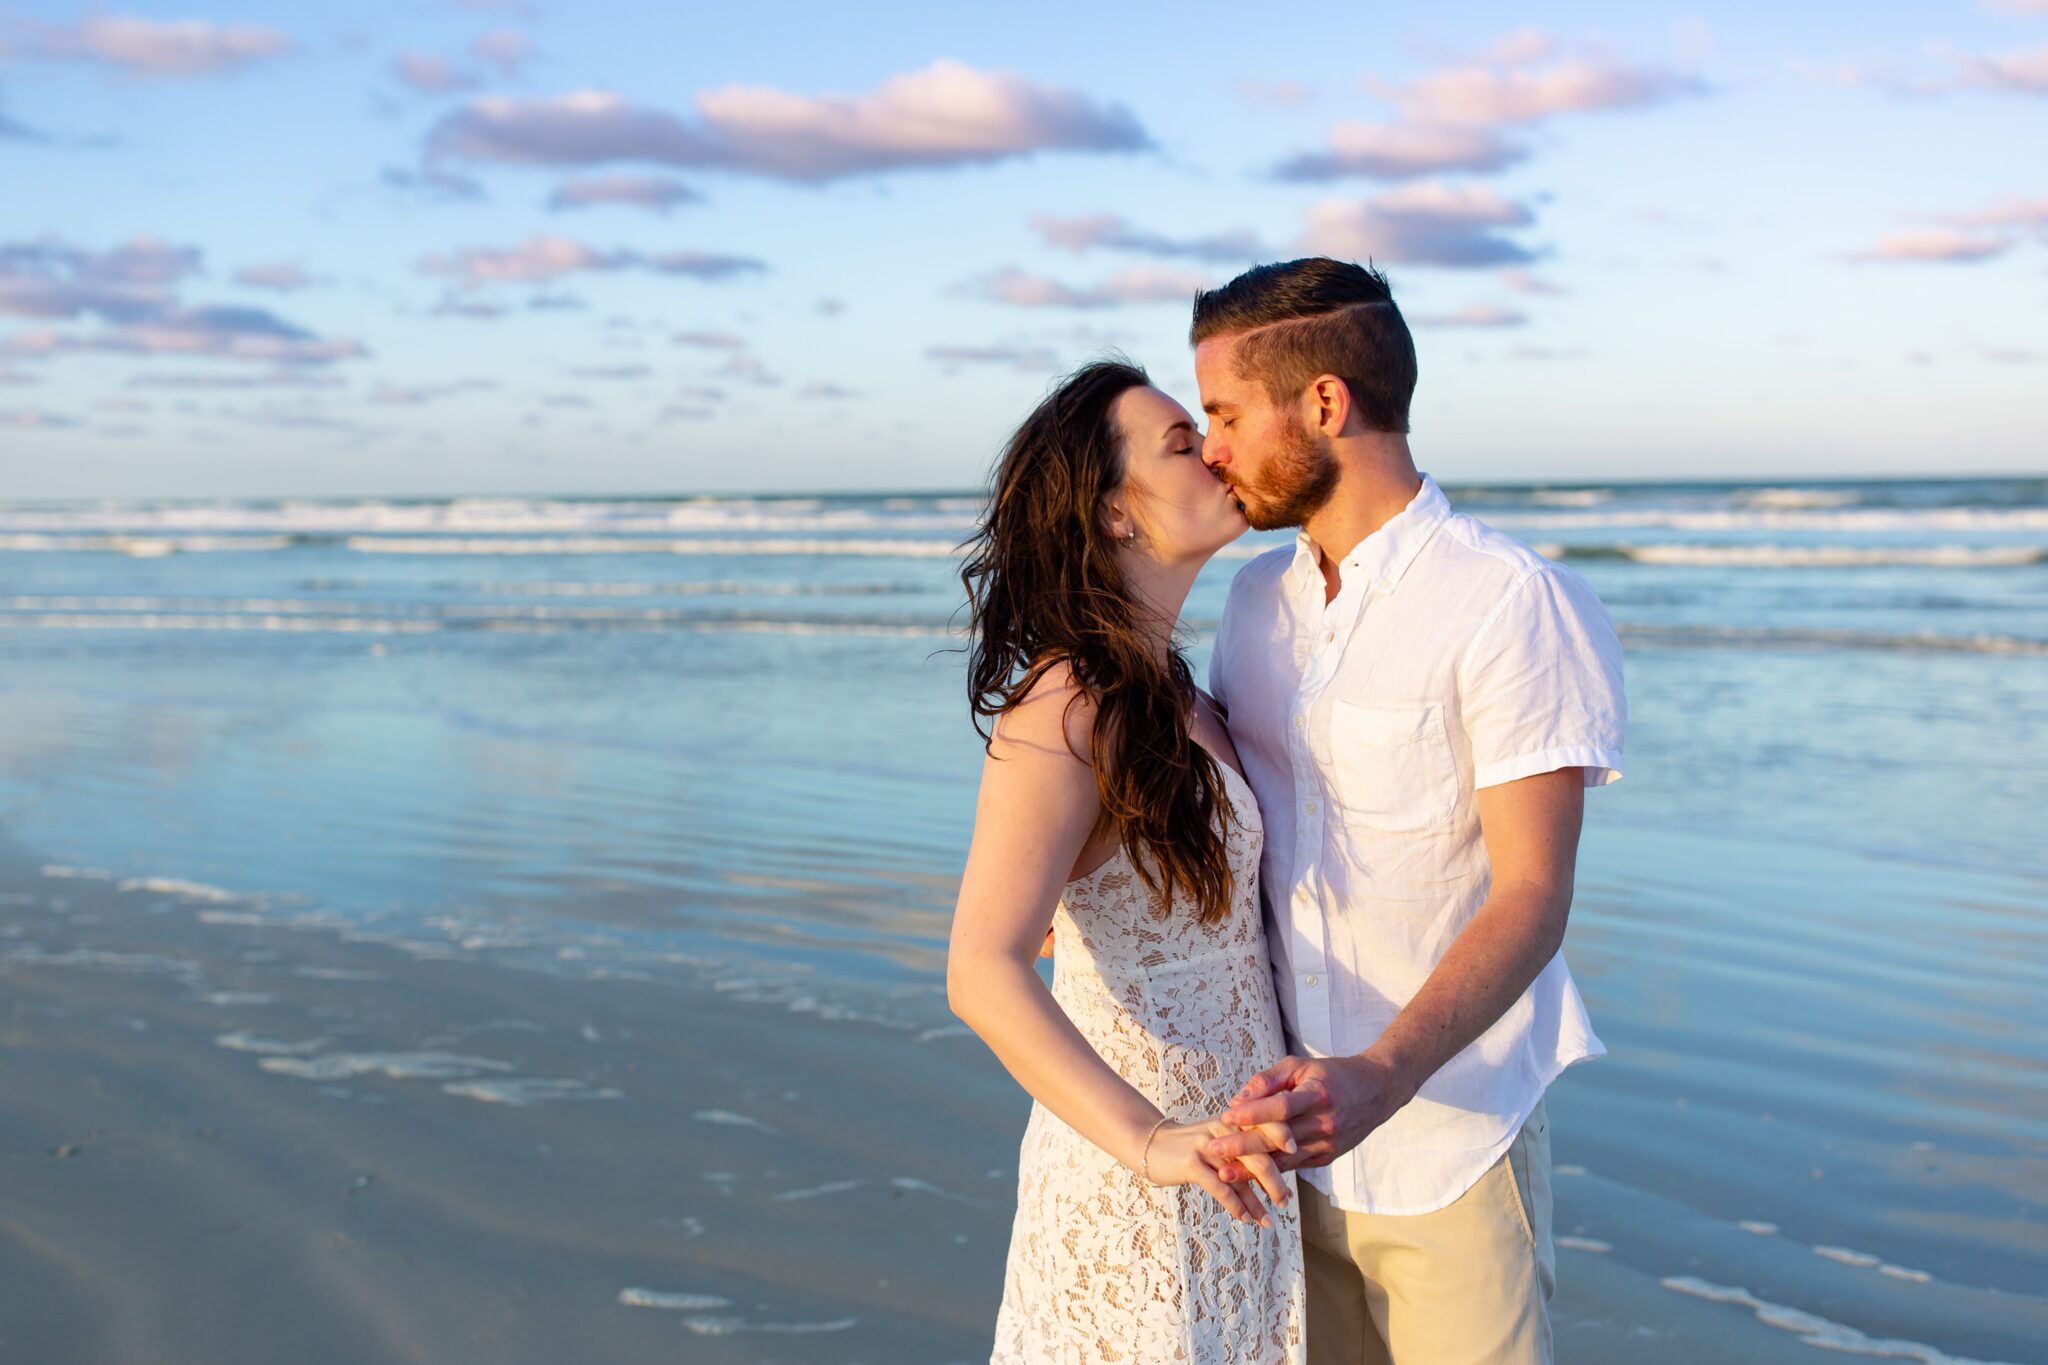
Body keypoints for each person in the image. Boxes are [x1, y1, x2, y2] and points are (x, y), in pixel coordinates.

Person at [1192, 257, 1627, 1365]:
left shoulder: (1505, 602)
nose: (1211, 449)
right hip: (1283, 1142)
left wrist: (1381, 1073)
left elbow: (1533, 895)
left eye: (1226, 413)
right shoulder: (1250, 606)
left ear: (1324, 404)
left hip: (1453, 1142)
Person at [948, 358, 1306, 1363]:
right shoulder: (1065, 708)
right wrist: (1149, 1142)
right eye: (1183, 446)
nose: (1219, 453)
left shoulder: (1184, 695)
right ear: (1111, 513)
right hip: (1134, 1180)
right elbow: (980, 966)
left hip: (1234, 1177)